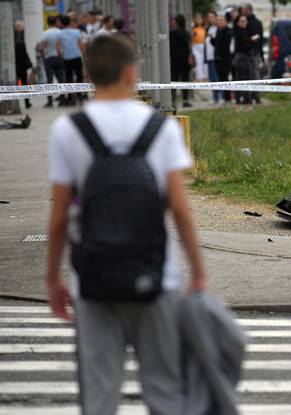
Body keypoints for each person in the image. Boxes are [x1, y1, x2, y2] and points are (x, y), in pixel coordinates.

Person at [46, 34, 207, 415]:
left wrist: (54, 278)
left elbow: (58, 218)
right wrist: (198, 272)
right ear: (132, 72)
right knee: (165, 392)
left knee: (99, 396)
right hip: (156, 277)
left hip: (94, 280)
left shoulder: (69, 131)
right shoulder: (161, 129)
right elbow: (181, 210)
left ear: (89, 74)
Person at [57, 15, 86, 106]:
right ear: (69, 22)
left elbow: (58, 49)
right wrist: (84, 56)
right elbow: (81, 45)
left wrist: (61, 57)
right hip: (77, 57)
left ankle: (70, 98)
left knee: (69, 78)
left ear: (61, 23)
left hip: (67, 58)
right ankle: (80, 95)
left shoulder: (59, 34)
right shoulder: (77, 32)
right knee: (79, 76)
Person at [41, 15, 66, 108]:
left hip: (49, 58)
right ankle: (62, 100)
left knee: (49, 80)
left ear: (47, 23)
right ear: (56, 22)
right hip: (59, 57)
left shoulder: (45, 33)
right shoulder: (60, 32)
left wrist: (44, 58)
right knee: (61, 79)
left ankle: (50, 101)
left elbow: (42, 48)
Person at [232, 15, 256, 111]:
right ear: (238, 23)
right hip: (241, 59)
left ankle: (246, 103)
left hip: (244, 59)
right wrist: (252, 40)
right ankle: (241, 104)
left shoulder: (245, 31)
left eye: (245, 21)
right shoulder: (239, 32)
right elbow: (245, 45)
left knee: (246, 81)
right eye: (242, 21)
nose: (244, 23)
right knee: (242, 81)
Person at [170, 14, 192, 108]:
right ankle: (185, 100)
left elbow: (164, 39)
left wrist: (158, 36)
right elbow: (189, 47)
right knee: (185, 80)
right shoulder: (186, 33)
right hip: (186, 60)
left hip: (175, 60)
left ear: (176, 22)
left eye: (173, 21)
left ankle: (172, 99)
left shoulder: (172, 33)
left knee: (174, 80)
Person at [242, 4, 263, 104]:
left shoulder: (255, 23)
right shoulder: (244, 22)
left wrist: (259, 53)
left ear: (249, 10)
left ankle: (256, 96)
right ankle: (249, 96)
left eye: (244, 10)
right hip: (246, 53)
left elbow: (259, 38)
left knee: (254, 75)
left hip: (253, 52)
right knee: (247, 75)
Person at [213, 15, 233, 103]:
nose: (219, 22)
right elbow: (217, 44)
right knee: (221, 78)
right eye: (218, 20)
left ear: (225, 21)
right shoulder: (218, 31)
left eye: (221, 20)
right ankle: (224, 97)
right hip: (218, 59)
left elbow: (226, 46)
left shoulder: (228, 32)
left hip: (225, 59)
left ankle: (227, 98)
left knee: (225, 78)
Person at [14, 20, 33, 109]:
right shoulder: (20, 40)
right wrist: (29, 62)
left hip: (15, 65)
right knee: (24, 83)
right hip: (21, 65)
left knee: (16, 84)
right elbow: (24, 53)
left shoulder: (13, 38)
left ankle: (16, 101)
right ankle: (26, 102)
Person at [204, 11, 220, 103]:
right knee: (211, 78)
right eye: (209, 17)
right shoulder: (208, 28)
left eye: (212, 16)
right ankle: (215, 97)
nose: (210, 18)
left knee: (216, 77)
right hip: (209, 56)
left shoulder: (218, 28)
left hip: (215, 56)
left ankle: (218, 97)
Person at [191, 13, 207, 82]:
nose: (198, 21)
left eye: (200, 19)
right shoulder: (193, 29)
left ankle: (204, 76)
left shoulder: (205, 28)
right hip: (195, 46)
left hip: (203, 45)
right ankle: (199, 77)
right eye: (197, 19)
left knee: (203, 61)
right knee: (198, 61)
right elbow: (191, 37)